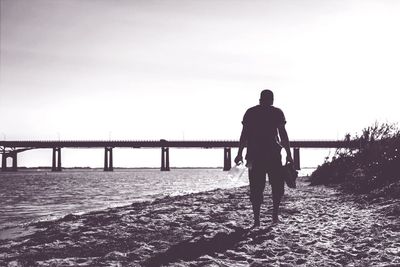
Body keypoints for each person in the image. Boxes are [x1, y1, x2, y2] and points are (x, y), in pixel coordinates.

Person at [234, 89, 293, 226]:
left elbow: (244, 135)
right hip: (273, 155)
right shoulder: (277, 112)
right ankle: (274, 217)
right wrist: (289, 154)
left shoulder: (250, 112)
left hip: (253, 156)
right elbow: (283, 135)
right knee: (277, 186)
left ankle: (257, 221)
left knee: (256, 187)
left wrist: (239, 153)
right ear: (272, 100)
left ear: (260, 99)